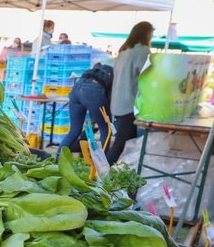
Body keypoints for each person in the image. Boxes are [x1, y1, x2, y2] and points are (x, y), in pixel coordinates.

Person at [106, 21, 154, 164]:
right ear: (147, 34)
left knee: (126, 142)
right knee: (122, 142)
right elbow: (147, 76)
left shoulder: (124, 52)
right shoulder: (143, 51)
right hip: (130, 103)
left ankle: (112, 173)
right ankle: (101, 174)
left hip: (118, 102)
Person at [59, 62, 113, 152]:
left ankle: (57, 158)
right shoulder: (113, 72)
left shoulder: (95, 70)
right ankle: (101, 162)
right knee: (106, 129)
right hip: (94, 91)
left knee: (74, 130)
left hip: (77, 87)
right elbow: (108, 99)